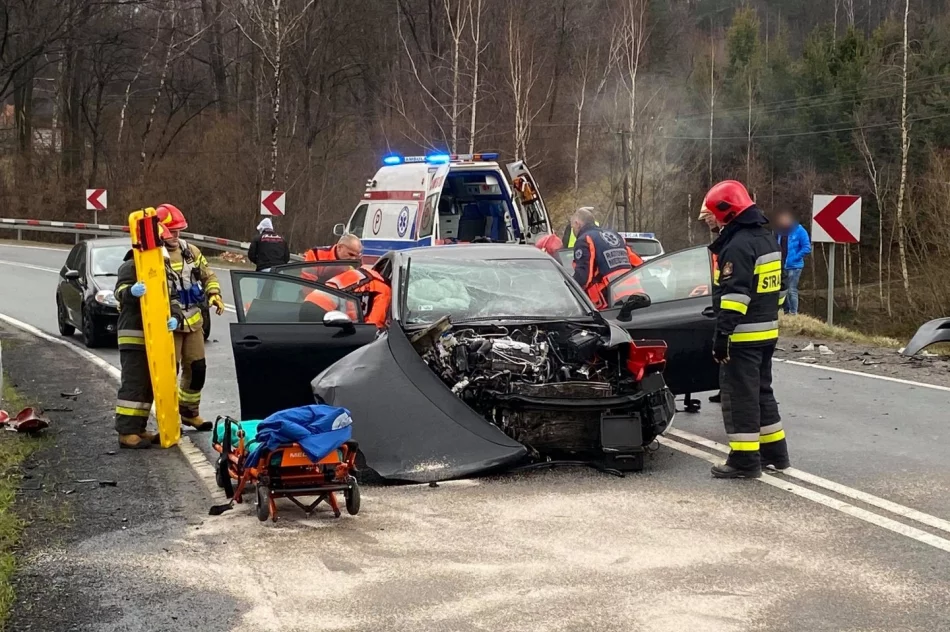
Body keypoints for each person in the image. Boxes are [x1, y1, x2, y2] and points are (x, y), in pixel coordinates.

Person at [703, 180, 790, 479]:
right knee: (762, 393)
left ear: (727, 212)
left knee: (739, 397)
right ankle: (775, 453)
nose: (710, 221)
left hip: (742, 336)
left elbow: (735, 297)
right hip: (767, 333)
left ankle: (744, 461)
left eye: (712, 215)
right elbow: (780, 290)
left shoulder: (737, 245)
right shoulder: (766, 239)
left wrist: (722, 336)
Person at [156, 203, 224, 432]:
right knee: (168, 372)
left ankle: (189, 411)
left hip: (194, 322)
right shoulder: (153, 255)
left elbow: (208, 274)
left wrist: (214, 294)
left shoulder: (190, 251)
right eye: (171, 231)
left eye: (178, 231)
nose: (176, 236)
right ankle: (168, 417)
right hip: (169, 325)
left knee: (197, 369)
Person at [113, 225, 182, 449]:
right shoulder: (130, 266)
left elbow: (171, 299)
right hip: (134, 336)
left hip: (157, 338)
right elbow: (120, 293)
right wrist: (131, 292)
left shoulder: (162, 268)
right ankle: (126, 432)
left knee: (150, 387)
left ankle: (139, 428)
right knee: (134, 383)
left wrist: (176, 318)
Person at [570, 207, 643, 309]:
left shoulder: (585, 239)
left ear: (577, 224)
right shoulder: (614, 234)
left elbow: (583, 278)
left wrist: (568, 290)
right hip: (635, 294)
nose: (573, 230)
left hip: (610, 300)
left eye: (572, 226)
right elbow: (638, 263)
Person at [303, 265, 391, 329]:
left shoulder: (361, 274)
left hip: (309, 301)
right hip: (321, 310)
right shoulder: (384, 288)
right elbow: (375, 325)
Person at [699, 206, 724, 405]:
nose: (706, 219)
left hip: (732, 314)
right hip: (721, 306)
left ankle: (728, 390)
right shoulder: (722, 239)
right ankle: (724, 388)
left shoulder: (732, 242)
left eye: (709, 215)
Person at [774, 210, 811, 315]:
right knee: (782, 289)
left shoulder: (799, 230)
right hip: (782, 264)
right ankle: (786, 311)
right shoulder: (780, 231)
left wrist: (795, 257)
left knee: (791, 290)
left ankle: (793, 312)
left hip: (794, 266)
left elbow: (807, 247)